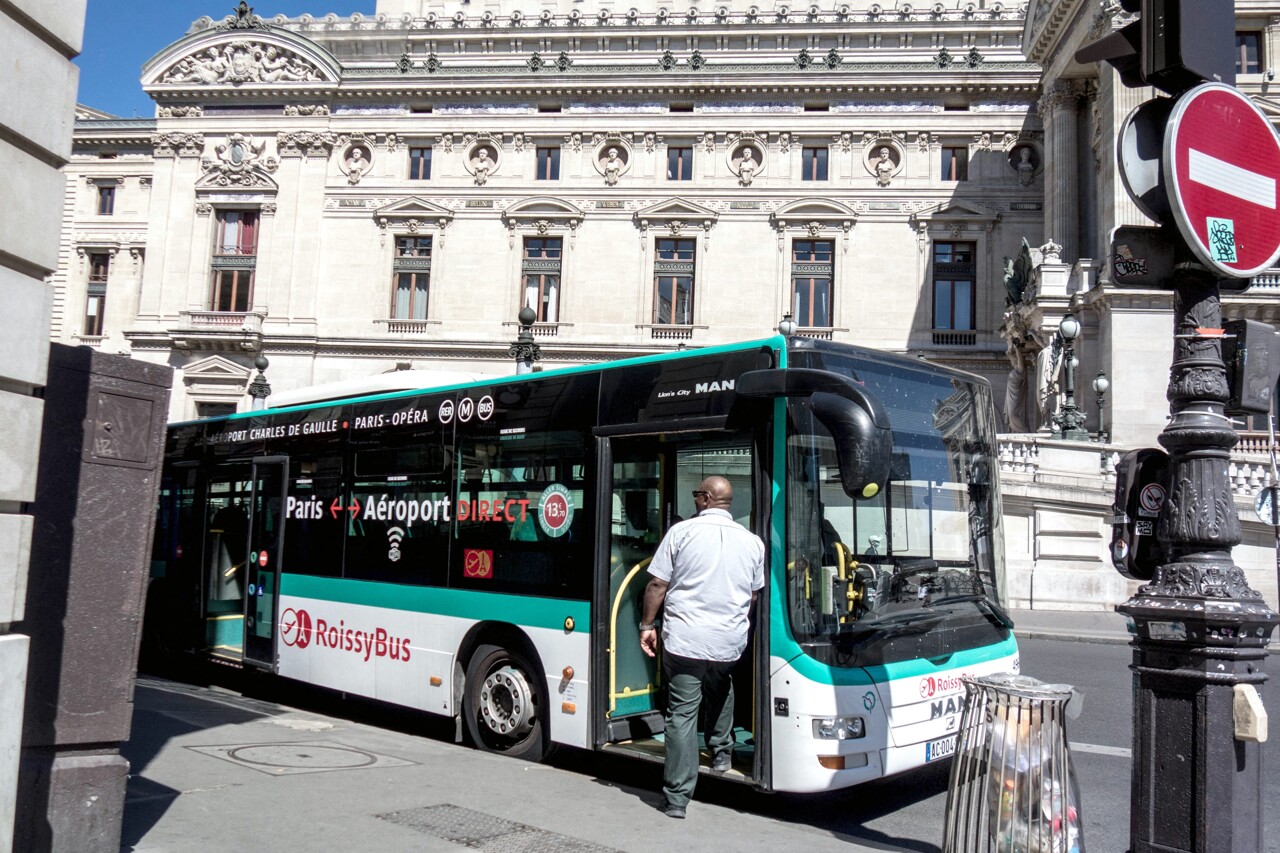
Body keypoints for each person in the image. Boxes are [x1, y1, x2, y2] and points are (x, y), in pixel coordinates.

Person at [639, 476, 765, 819]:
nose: (695, 500)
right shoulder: (753, 542)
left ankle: (678, 797)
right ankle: (722, 753)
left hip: (686, 639)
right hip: (729, 640)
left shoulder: (681, 534)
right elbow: (753, 594)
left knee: (681, 713)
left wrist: (647, 625)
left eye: (697, 495)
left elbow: (657, 584)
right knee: (721, 685)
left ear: (707, 498)